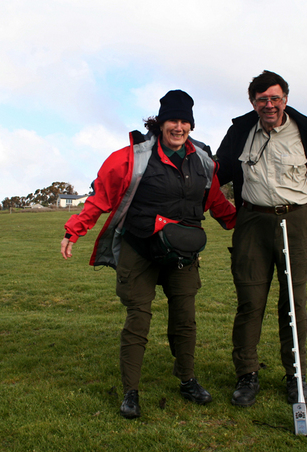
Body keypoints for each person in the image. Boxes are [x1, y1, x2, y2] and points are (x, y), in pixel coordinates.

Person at [60, 90, 237, 419]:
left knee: (185, 318)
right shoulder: (131, 157)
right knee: (138, 318)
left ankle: (187, 380)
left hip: (182, 253)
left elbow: (216, 203)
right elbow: (100, 197)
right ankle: (131, 391)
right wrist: (74, 230)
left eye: (185, 121)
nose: (179, 127)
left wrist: (243, 223)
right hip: (139, 248)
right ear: (160, 122)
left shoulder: (202, 161)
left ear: (191, 125)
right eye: (173, 119)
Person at [215, 71, 307, 407]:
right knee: (250, 302)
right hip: (252, 222)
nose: (269, 105)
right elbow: (216, 172)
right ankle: (247, 375)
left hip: (297, 221)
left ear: (285, 98)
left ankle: (295, 376)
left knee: (293, 303)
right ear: (252, 101)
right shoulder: (240, 131)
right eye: (262, 99)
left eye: (275, 98)